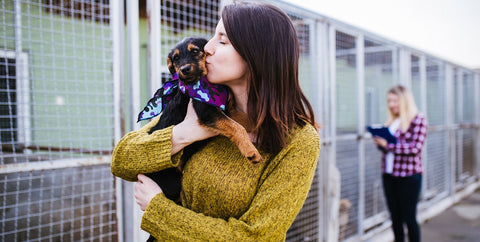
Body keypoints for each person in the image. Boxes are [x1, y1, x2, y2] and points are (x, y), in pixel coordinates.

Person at [111, 2, 320, 241]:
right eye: (212, 37)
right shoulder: (197, 102)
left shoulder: (299, 140)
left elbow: (256, 237)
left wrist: (158, 209)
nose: (207, 48)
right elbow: (121, 161)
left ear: (257, 53)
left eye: (222, 40)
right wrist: (185, 133)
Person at [372, 85, 427, 242]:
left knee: (409, 218)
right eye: (389, 100)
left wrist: (387, 145)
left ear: (404, 101)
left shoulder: (418, 120)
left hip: (409, 176)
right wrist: (380, 142)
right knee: (395, 218)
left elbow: (415, 148)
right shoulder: (392, 121)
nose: (391, 104)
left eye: (395, 100)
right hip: (389, 175)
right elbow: (388, 150)